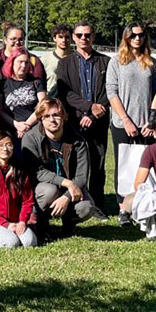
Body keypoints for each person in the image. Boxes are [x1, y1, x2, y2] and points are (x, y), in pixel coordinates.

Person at [22, 98, 107, 236]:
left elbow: (81, 177)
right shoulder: (31, 138)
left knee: (87, 207)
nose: (52, 120)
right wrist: (67, 183)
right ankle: (42, 222)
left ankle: (69, 223)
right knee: (49, 191)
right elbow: (36, 171)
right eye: (47, 116)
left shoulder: (78, 141)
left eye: (56, 115)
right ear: (40, 119)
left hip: (70, 188)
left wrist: (67, 197)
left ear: (63, 117)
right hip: (44, 187)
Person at [106, 22, 156, 224]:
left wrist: (152, 119)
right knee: (124, 166)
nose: (137, 39)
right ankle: (123, 208)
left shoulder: (151, 62)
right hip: (123, 124)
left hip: (146, 124)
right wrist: (126, 120)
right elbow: (111, 92)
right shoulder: (117, 62)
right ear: (126, 38)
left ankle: (142, 205)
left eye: (140, 35)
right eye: (133, 35)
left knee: (145, 166)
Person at [55, 22, 111, 210]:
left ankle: (97, 204)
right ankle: (73, 200)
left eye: (87, 35)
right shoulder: (65, 63)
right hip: (74, 120)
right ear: (73, 37)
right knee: (73, 162)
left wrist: (94, 115)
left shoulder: (105, 61)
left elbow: (108, 91)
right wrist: (87, 108)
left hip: (99, 122)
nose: (83, 38)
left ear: (93, 36)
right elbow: (65, 93)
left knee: (98, 163)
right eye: (79, 35)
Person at [0, 131, 39, 248]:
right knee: (12, 243)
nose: (5, 149)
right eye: (0, 145)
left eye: (9, 145)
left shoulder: (20, 170)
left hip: (16, 220)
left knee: (30, 242)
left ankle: (11, 234)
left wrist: (22, 222)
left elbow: (27, 201)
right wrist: (6, 224)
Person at [0, 49, 47, 140]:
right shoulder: (2, 84)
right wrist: (16, 125)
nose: (23, 66)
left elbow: (43, 105)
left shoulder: (36, 82)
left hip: (33, 129)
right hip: (9, 130)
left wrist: (26, 125)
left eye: (26, 62)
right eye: (20, 62)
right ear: (12, 62)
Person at [38, 23, 73, 94]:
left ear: (71, 38)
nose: (64, 40)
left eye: (67, 37)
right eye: (60, 37)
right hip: (52, 100)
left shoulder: (77, 59)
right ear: (54, 38)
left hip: (73, 101)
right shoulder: (44, 60)